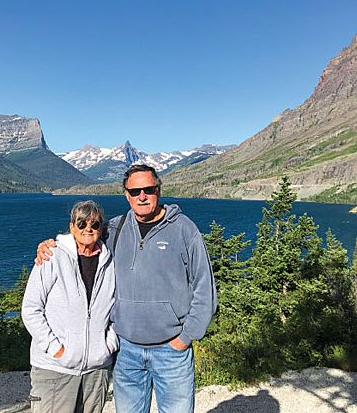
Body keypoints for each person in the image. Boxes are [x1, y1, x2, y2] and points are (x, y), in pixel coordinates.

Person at [37, 164, 217, 413]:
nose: (142, 196)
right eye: (135, 191)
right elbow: (84, 236)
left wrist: (185, 338)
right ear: (126, 194)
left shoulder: (184, 229)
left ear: (158, 190)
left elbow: (204, 289)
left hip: (172, 350)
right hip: (126, 351)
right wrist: (51, 245)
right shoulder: (114, 228)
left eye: (148, 189)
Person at [22, 200, 118, 413]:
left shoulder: (110, 262)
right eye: (82, 223)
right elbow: (31, 309)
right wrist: (56, 349)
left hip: (96, 371)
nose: (88, 229)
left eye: (94, 224)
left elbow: (118, 310)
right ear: (72, 226)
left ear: (101, 228)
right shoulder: (52, 256)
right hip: (55, 369)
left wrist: (107, 346)